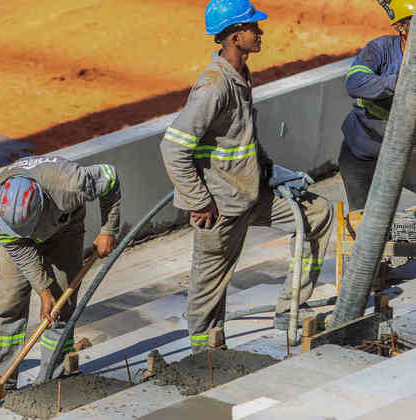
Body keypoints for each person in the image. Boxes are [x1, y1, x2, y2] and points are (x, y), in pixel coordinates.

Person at [159, 0, 333, 352]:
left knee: (317, 214)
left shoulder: (240, 76)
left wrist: (271, 171)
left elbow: (241, 137)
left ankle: (290, 308)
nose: (260, 31)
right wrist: (199, 200)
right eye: (253, 27)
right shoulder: (214, 86)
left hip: (251, 193)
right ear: (235, 36)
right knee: (209, 287)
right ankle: (204, 356)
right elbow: (172, 147)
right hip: (220, 207)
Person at [0, 155, 121, 414]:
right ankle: (0, 386)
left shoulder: (71, 185)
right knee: (8, 307)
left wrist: (109, 229)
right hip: (18, 245)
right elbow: (17, 246)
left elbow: (111, 176)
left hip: (64, 231)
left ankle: (52, 381)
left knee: (60, 308)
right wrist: (42, 288)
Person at [338, 0, 414, 210]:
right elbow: (355, 82)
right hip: (361, 153)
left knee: (399, 231)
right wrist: (399, 82)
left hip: (406, 154)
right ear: (401, 27)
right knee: (365, 227)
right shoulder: (381, 49)